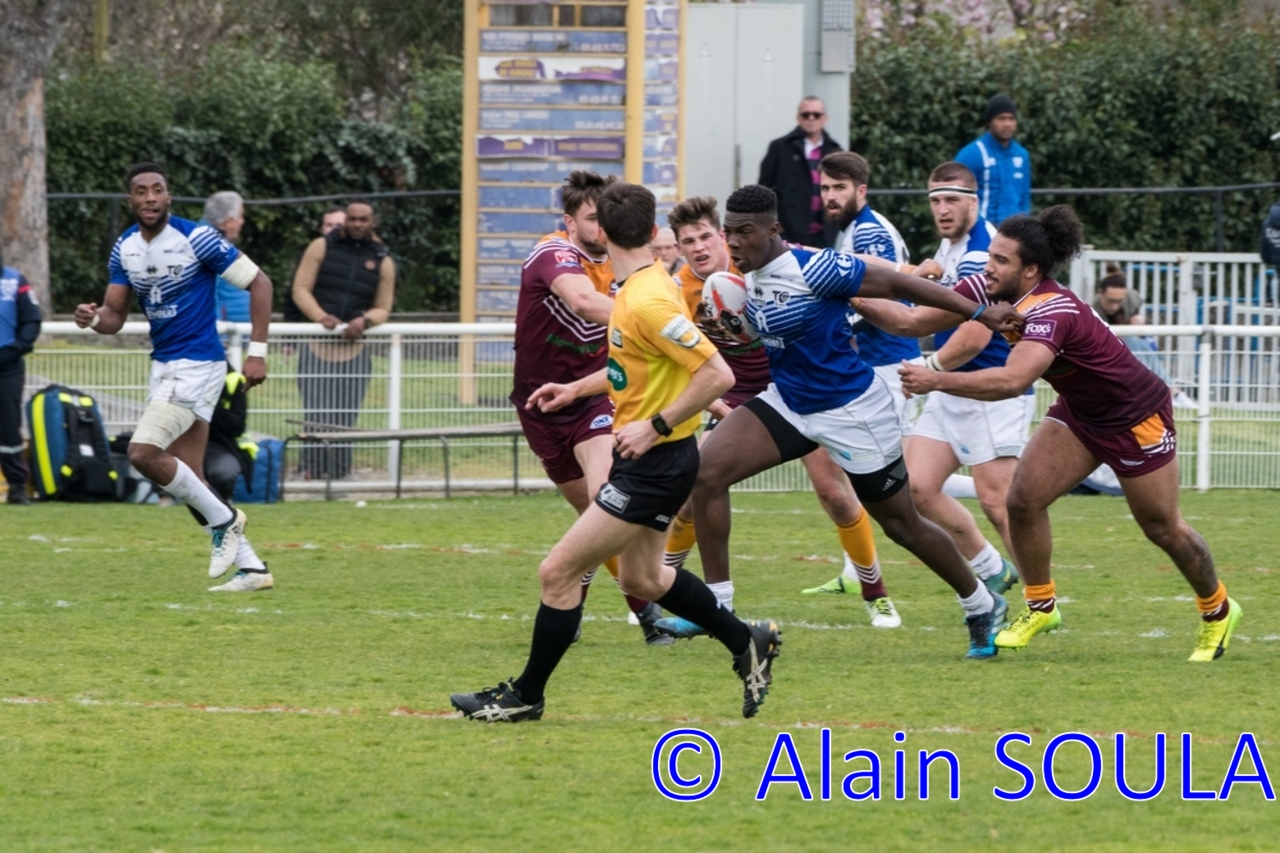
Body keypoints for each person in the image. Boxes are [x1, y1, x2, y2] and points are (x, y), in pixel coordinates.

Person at [450, 182, 783, 722]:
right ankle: (747, 640)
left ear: (601, 234)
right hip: (654, 458)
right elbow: (637, 366)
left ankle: (525, 696)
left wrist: (655, 426)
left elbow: (716, 374)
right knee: (643, 579)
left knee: (557, 572)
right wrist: (574, 390)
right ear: (653, 232)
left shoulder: (648, 299)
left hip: (655, 462)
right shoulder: (640, 288)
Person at [687, 184, 1024, 661]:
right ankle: (717, 608)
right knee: (706, 473)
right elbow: (771, 335)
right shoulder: (745, 276)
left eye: (745, 232)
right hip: (791, 403)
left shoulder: (816, 267)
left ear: (773, 229)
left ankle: (982, 603)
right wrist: (730, 331)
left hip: (853, 413)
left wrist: (980, 312)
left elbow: (899, 285)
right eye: (729, 232)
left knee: (902, 524)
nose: (734, 242)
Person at [896, 205, 1241, 662]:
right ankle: (1041, 607)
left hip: (1135, 415)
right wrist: (852, 291)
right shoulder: (990, 286)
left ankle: (1218, 610)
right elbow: (913, 321)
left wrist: (935, 378)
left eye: (1000, 259)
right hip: (1081, 411)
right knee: (1022, 500)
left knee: (1162, 527)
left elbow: (1012, 381)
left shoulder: (1052, 310)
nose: (987, 265)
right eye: (990, 255)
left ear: (1030, 270)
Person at [656, 195, 901, 632]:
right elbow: (678, 362)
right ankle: (669, 593)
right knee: (698, 486)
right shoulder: (676, 293)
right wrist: (716, 403)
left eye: (705, 236)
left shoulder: (760, 262)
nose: (699, 247)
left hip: (796, 387)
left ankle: (875, 593)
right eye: (688, 241)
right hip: (731, 394)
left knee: (835, 495)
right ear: (678, 247)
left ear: (723, 235)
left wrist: (907, 273)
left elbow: (848, 271)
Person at [74, 162, 274, 591]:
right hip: (165, 365)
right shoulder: (124, 247)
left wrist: (257, 354)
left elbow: (260, 283)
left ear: (168, 196)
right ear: (130, 200)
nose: (150, 197)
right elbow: (114, 316)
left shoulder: (196, 237)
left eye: (157, 189)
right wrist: (92, 319)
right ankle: (253, 568)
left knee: (143, 453)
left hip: (198, 363)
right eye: (141, 191)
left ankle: (227, 520)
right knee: (190, 477)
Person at [510, 170, 669, 645]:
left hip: (594, 395)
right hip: (539, 402)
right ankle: (573, 598)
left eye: (607, 219)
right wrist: (658, 319)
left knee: (605, 496)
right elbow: (581, 301)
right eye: (592, 219)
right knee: (590, 514)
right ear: (569, 222)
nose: (602, 228)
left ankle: (649, 615)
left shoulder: (628, 266)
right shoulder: (553, 251)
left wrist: (664, 319)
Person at [870, 162, 1028, 598]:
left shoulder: (982, 253)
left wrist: (932, 370)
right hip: (950, 384)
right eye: (936, 200)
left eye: (952, 200)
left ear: (974, 203)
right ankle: (992, 568)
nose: (942, 209)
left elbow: (975, 336)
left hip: (989, 389)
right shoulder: (949, 247)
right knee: (918, 488)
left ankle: (1040, 600)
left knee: (999, 502)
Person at [291, 200, 396, 480]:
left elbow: (383, 307)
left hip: (355, 350)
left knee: (346, 414)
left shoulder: (383, 260)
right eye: (353, 219)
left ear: (373, 222)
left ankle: (340, 473)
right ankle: (309, 470)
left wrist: (365, 321)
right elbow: (300, 288)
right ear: (345, 221)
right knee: (315, 412)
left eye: (363, 220)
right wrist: (320, 317)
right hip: (316, 345)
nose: (358, 224)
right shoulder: (320, 247)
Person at [758, 96, 842, 247]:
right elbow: (763, 190)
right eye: (806, 114)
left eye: (816, 115)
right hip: (789, 232)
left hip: (825, 233)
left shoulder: (835, 151)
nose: (811, 118)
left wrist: (837, 221)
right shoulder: (780, 148)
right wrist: (774, 222)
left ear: (824, 119)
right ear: (798, 118)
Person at [955, 94, 1031, 226]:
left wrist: (1024, 226)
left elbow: (1024, 196)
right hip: (981, 229)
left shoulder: (1021, 154)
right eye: (1001, 118)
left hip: (1013, 231)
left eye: (1011, 118)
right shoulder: (971, 154)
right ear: (989, 122)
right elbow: (956, 194)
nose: (1007, 124)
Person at [1, 259, 41, 505]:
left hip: (7, 366)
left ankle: (17, 486)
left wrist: (15, 349)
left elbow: (31, 320)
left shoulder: (15, 281)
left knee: (8, 425)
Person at [283, 207, 347, 324]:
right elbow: (294, 293)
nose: (334, 229)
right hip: (312, 326)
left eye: (339, 225)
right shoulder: (311, 253)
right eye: (329, 225)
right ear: (322, 229)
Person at [204, 192, 251, 324]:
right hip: (226, 332)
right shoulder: (212, 246)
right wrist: (219, 332)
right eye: (240, 216)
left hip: (235, 330)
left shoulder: (216, 242)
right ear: (229, 221)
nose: (242, 221)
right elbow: (208, 295)